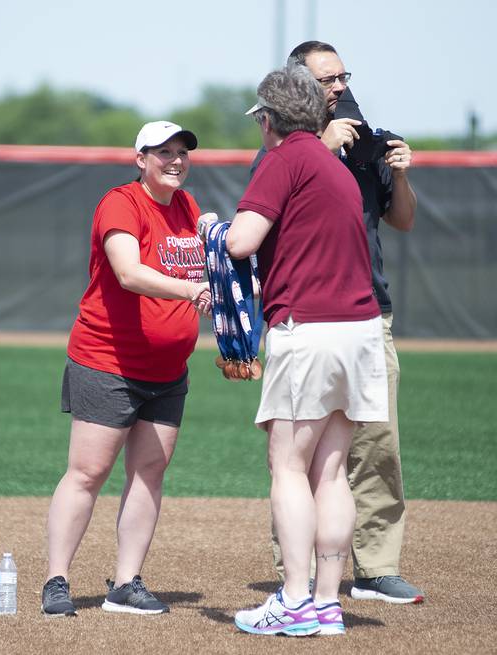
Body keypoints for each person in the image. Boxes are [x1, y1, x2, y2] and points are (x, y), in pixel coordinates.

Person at [221, 65, 389, 636]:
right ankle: (325, 603)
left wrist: (212, 232)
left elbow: (243, 241)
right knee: (332, 471)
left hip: (308, 327)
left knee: (289, 466)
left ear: (267, 120)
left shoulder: (285, 158)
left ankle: (293, 601)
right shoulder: (332, 165)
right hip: (361, 327)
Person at [266, 40, 423, 605]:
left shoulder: (365, 139)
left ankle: (377, 568)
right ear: (299, 85)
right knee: (301, 454)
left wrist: (399, 173)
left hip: (366, 313)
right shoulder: (286, 147)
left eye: (342, 76)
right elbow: (265, 219)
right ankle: (297, 572)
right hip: (302, 314)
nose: (338, 86)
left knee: (377, 448)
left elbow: (399, 221)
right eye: (326, 79)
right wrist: (323, 149)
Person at [41, 121, 209, 617]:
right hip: (107, 360)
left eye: (182, 152)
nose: (176, 160)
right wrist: (188, 292)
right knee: (88, 472)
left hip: (167, 369)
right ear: (141, 159)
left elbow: (202, 269)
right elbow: (128, 273)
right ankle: (57, 579)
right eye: (164, 153)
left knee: (149, 473)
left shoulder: (188, 207)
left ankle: (126, 582)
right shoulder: (122, 202)